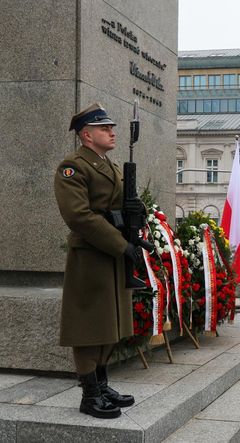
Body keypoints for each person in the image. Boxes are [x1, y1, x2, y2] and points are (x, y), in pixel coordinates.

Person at [54, 103, 138, 419]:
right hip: (92, 254)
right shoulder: (73, 167)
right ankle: (89, 394)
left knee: (109, 321)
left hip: (111, 254)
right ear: (87, 135)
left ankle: (101, 384)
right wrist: (120, 244)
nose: (112, 132)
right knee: (90, 324)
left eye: (111, 127)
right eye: (105, 128)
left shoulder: (109, 164)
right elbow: (79, 215)